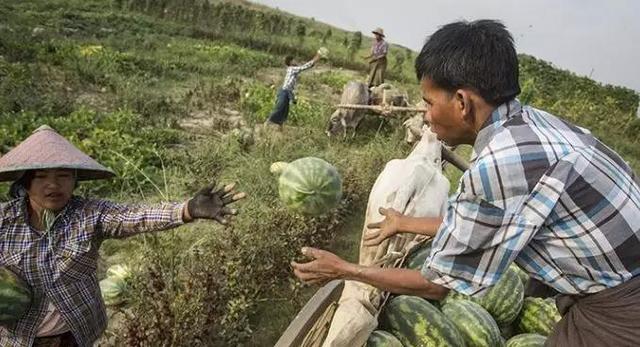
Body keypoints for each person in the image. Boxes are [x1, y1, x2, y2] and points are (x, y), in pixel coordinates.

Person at [292, 20, 640, 346]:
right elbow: (487, 221)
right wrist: (404, 223)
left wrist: (345, 270)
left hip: (620, 308)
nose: (425, 115)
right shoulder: (533, 123)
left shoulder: (498, 167)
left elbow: (437, 285)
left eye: (429, 102)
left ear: (461, 102)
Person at [0, 125, 246, 347]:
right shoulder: (4, 220)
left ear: (75, 181)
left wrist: (187, 209)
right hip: (19, 338)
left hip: (77, 335)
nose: (53, 185)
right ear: (25, 182)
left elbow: (135, 216)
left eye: (63, 176)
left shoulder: (89, 214)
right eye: (42, 177)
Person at [265, 52, 321, 128]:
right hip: (284, 91)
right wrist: (314, 59)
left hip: (287, 92)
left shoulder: (292, 70)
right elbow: (304, 67)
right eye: (294, 60)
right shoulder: (292, 69)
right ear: (290, 62)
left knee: (285, 111)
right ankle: (268, 122)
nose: (296, 62)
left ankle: (279, 126)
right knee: (280, 107)